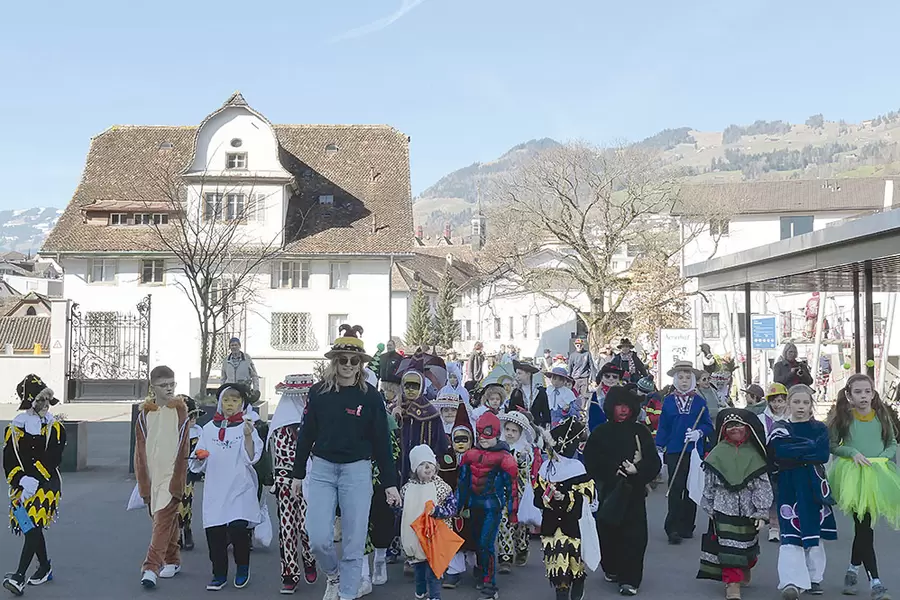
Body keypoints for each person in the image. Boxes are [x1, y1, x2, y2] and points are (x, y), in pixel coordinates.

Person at [290, 324, 400, 600]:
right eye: (342, 360)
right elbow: (306, 434)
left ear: (361, 364)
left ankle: (349, 593)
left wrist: (390, 483)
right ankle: (333, 576)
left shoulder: (371, 397)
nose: (348, 365)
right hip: (323, 470)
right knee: (317, 539)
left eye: (354, 361)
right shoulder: (318, 393)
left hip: (357, 472)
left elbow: (382, 443)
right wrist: (297, 473)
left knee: (353, 544)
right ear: (334, 362)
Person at [827, 373, 900, 600]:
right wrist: (852, 452)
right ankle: (876, 583)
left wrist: (884, 457)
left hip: (878, 475)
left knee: (864, 528)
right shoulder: (844, 417)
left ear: (873, 393)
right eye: (858, 392)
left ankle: (852, 568)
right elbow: (832, 445)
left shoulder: (881, 415)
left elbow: (892, 442)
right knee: (864, 528)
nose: (863, 396)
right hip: (854, 476)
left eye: (867, 391)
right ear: (849, 395)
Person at [584, 386, 660, 596]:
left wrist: (638, 469)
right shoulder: (601, 432)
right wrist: (612, 470)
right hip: (608, 491)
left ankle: (630, 579)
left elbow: (653, 462)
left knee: (634, 537)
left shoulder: (640, 431)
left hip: (633, 492)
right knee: (607, 534)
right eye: (619, 405)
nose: (623, 410)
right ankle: (612, 568)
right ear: (611, 407)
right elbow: (591, 460)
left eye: (627, 405)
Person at [190, 384, 263, 591]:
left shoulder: (246, 427)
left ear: (242, 404)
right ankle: (219, 572)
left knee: (239, 529)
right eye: (226, 400)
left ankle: (242, 567)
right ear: (220, 403)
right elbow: (198, 458)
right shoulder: (208, 429)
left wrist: (248, 436)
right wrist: (198, 456)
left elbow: (252, 458)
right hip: (216, 488)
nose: (230, 404)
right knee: (215, 533)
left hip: (240, 487)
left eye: (235, 400)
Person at [768, 384, 836, 600]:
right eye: (796, 402)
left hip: (814, 483)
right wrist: (808, 448)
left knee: (814, 533)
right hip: (789, 485)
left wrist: (797, 450)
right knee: (790, 533)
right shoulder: (780, 427)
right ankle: (791, 581)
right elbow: (779, 452)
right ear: (789, 403)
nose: (801, 406)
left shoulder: (819, 428)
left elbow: (822, 454)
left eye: (805, 402)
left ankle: (814, 577)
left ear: (811, 405)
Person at [697, 409, 773, 600]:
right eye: (729, 426)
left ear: (748, 429)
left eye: (738, 425)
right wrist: (709, 506)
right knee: (729, 548)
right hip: (723, 507)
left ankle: (745, 566)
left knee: (747, 545)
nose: (734, 429)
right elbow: (709, 483)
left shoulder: (755, 455)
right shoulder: (717, 453)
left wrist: (762, 511)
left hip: (748, 510)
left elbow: (762, 485)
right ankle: (732, 584)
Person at [2, 375, 66, 596]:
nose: (46, 405)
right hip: (22, 485)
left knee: (33, 525)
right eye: (40, 400)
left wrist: (35, 480)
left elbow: (53, 458)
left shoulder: (54, 427)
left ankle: (19, 576)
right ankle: (45, 567)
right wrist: (20, 479)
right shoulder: (15, 427)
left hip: (47, 484)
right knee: (30, 527)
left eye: (47, 400)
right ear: (30, 401)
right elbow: (8, 460)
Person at [134, 365, 191, 589]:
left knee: (162, 521)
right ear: (153, 387)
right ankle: (173, 559)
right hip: (152, 477)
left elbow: (183, 448)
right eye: (163, 385)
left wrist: (179, 479)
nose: (169, 389)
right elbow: (139, 451)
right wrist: (143, 482)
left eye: (172, 384)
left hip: (171, 478)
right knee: (163, 521)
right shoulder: (144, 415)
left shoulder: (180, 412)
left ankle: (150, 568)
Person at [457, 412, 520, 600]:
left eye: (487, 435)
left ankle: (490, 585)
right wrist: (458, 507)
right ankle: (482, 571)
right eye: (480, 435)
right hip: (474, 505)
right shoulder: (470, 455)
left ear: (496, 434)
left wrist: (512, 513)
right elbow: (463, 482)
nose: (483, 439)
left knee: (486, 543)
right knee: (477, 542)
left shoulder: (505, 458)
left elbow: (512, 488)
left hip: (493, 506)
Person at [534, 417, 596, 600]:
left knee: (574, 558)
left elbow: (588, 494)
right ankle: (561, 588)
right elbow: (538, 497)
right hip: (552, 522)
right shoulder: (545, 468)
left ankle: (578, 581)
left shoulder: (578, 468)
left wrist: (567, 496)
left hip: (572, 522)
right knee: (556, 559)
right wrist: (549, 497)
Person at [656, 361, 714, 545]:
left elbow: (708, 425)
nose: (684, 381)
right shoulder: (668, 401)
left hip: (694, 451)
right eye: (680, 377)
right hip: (674, 450)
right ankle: (672, 527)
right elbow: (663, 426)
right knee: (675, 487)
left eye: (688, 377)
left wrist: (699, 433)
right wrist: (659, 447)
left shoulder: (699, 401)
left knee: (691, 487)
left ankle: (687, 526)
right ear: (675, 379)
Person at [269, 374, 318, 594]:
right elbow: (282, 455)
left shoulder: (317, 419)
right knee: (287, 529)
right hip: (286, 480)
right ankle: (289, 573)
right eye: (302, 396)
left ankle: (309, 558)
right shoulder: (280, 426)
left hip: (310, 480)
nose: (305, 400)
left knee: (306, 527)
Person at [400, 445, 458, 600]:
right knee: (418, 568)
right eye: (422, 464)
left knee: (434, 571)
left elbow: (452, 508)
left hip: (435, 537)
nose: (427, 467)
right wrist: (395, 506)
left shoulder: (442, 487)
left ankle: (435, 596)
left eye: (430, 463)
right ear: (414, 468)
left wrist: (438, 511)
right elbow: (403, 513)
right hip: (416, 537)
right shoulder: (407, 489)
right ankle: (420, 592)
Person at [497, 410, 539, 573]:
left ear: (520, 433)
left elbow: (525, 469)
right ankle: (505, 557)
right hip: (502, 491)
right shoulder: (499, 447)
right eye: (507, 429)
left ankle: (521, 547)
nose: (510, 433)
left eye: (514, 431)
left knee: (520, 524)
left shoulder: (525, 450)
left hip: (520, 492)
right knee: (504, 522)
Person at [444, 404, 477, 589]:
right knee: (453, 536)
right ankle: (454, 571)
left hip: (474, 504)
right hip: (452, 506)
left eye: (465, 439)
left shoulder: (478, 457)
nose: (461, 443)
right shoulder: (446, 458)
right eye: (458, 439)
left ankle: (479, 568)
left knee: (475, 537)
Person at [395, 370, 450, 483]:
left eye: (415, 386)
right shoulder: (396, 409)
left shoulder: (430, 413)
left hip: (423, 469)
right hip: (399, 465)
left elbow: (441, 443)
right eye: (407, 386)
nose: (410, 390)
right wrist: (394, 417)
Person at [761, 383, 789, 543]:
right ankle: (774, 527)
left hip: (789, 462)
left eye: (780, 400)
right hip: (770, 462)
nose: (777, 404)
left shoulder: (792, 418)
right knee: (773, 496)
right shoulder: (762, 419)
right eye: (774, 401)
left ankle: (788, 524)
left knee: (788, 495)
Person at [178, 395, 204, 552]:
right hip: (173, 471)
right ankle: (176, 534)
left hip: (190, 471)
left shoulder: (199, 432)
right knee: (174, 504)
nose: (193, 419)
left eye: (195, 415)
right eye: (190, 416)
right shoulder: (174, 432)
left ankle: (186, 530)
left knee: (186, 501)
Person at [587, 363, 624, 432]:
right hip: (599, 433)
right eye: (607, 376)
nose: (611, 379)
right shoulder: (594, 395)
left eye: (615, 376)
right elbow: (590, 418)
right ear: (602, 378)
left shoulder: (625, 394)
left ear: (618, 379)